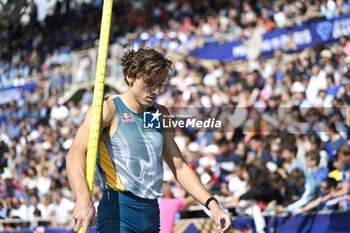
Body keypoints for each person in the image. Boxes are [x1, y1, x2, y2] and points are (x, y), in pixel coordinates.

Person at [66, 48, 231, 233]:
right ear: (130, 77)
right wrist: (82, 198)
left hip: (151, 213)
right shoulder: (109, 109)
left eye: (159, 84)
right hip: (119, 212)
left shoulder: (158, 114)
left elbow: (180, 166)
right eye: (150, 83)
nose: (155, 91)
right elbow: (75, 153)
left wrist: (213, 206)